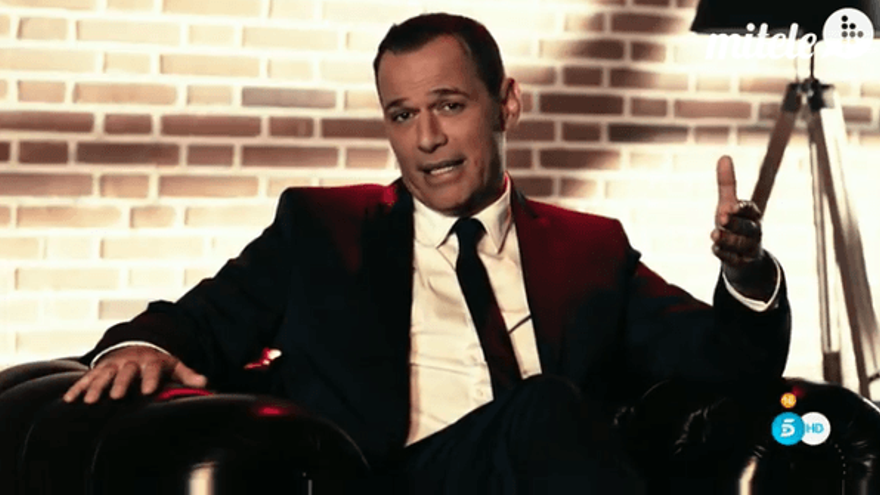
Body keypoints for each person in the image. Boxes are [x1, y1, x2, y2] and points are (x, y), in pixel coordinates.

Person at [63, 13, 790, 494]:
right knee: (544, 407)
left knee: (546, 410)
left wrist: (745, 271)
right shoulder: (323, 229)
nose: (426, 138)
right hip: (388, 482)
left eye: (449, 104)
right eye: (402, 114)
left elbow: (731, 361)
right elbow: (199, 320)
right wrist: (141, 345)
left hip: (545, 472)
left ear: (506, 103)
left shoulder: (590, 248)